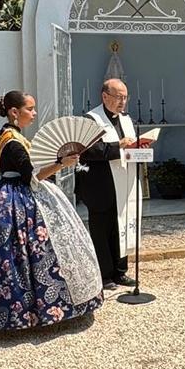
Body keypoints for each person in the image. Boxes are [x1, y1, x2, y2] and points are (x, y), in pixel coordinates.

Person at [0, 91, 103, 330]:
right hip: (16, 200)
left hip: (7, 195)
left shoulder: (11, 135)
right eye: (30, 109)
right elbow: (32, 178)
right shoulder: (13, 142)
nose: (34, 113)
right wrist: (61, 164)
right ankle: (30, 311)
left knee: (22, 253)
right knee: (27, 252)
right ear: (14, 112)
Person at [78, 78, 140, 289]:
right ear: (105, 96)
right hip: (100, 185)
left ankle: (120, 271)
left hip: (124, 182)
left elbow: (130, 144)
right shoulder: (90, 119)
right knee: (102, 230)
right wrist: (118, 146)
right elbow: (88, 151)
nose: (122, 101)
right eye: (118, 97)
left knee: (121, 226)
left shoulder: (126, 119)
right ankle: (104, 275)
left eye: (125, 97)